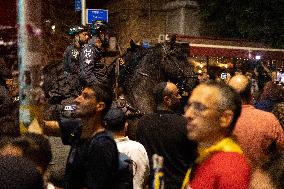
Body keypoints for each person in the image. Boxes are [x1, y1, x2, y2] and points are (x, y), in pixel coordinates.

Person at [41, 84, 118, 189]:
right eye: (80, 95)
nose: (77, 100)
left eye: (85, 97)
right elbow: (42, 127)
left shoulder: (102, 145)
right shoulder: (78, 128)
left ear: (99, 106)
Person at [182, 80, 250, 189]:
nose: (188, 114)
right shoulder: (207, 156)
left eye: (199, 108)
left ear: (225, 118)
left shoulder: (230, 168)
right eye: (188, 106)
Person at [136, 82, 197, 189]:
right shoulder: (184, 124)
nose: (180, 97)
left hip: (153, 184)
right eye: (177, 94)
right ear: (167, 99)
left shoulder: (143, 123)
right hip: (179, 184)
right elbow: (193, 157)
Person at [228, 74, 284, 168]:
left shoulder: (220, 121)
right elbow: (281, 148)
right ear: (250, 95)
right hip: (261, 178)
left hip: (228, 178)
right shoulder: (269, 119)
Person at [104, 107, 150, 189]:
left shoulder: (101, 149)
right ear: (126, 125)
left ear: (105, 127)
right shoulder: (138, 148)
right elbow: (145, 177)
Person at [79, 21, 111, 88]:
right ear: (101, 34)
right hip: (94, 92)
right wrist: (99, 88)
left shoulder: (98, 49)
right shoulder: (89, 49)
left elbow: (99, 70)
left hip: (101, 87)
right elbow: (86, 74)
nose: (108, 37)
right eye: (106, 33)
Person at [62, 25, 89, 100]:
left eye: (87, 35)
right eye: (84, 34)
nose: (87, 37)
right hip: (72, 87)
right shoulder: (73, 50)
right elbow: (75, 69)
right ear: (77, 36)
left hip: (78, 84)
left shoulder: (81, 49)